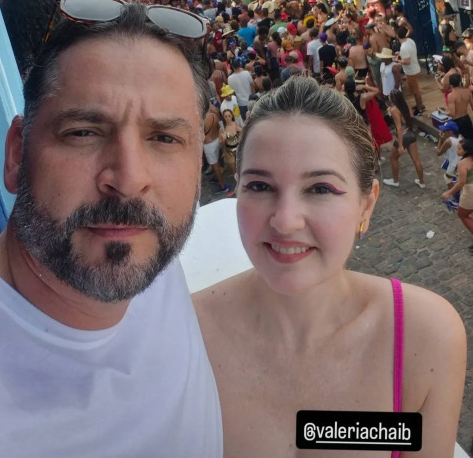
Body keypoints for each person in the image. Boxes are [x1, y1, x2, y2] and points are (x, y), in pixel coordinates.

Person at [0, 0, 222, 457]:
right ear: (15, 155)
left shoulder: (152, 261)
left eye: (164, 138)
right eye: (84, 132)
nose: (128, 180)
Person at [193, 77, 466, 458]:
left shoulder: (426, 338)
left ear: (366, 204)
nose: (285, 221)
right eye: (259, 186)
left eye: (320, 188)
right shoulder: (182, 335)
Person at [383, 90, 425, 189]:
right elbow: (411, 116)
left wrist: (401, 145)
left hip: (403, 135)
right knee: (416, 159)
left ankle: (395, 180)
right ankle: (422, 182)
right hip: (410, 132)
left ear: (392, 98)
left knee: (393, 158)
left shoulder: (394, 110)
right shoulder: (406, 104)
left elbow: (398, 127)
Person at [441, 140, 473, 238]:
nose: (456, 150)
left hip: (470, 191)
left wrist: (448, 193)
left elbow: (461, 183)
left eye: (459, 149)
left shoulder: (463, 163)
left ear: (466, 151)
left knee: (462, 214)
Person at [204, 103, 233, 197]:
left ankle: (223, 186)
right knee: (218, 158)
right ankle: (220, 173)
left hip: (208, 145)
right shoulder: (213, 115)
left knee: (214, 165)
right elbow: (218, 127)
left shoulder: (202, 121)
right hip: (216, 140)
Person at [395, 27, 424, 115]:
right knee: (416, 90)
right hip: (415, 67)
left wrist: (398, 60)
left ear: (397, 35)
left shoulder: (404, 47)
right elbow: (410, 53)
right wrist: (400, 54)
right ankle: (419, 105)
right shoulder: (410, 41)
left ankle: (419, 108)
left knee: (415, 91)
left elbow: (407, 61)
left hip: (410, 71)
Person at [446, 74, 473, 139]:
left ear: (451, 85)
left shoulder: (451, 96)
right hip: (467, 119)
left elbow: (452, 113)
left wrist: (444, 112)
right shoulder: (468, 92)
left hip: (457, 121)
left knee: (460, 142)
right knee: (470, 140)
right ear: (460, 82)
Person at [219, 109, 242, 178]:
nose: (228, 118)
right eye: (226, 116)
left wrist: (240, 130)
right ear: (223, 117)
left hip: (238, 148)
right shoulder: (223, 128)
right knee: (233, 169)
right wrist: (222, 138)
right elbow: (220, 142)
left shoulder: (236, 124)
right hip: (229, 150)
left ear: (232, 115)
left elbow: (243, 133)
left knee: (241, 165)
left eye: (229, 116)